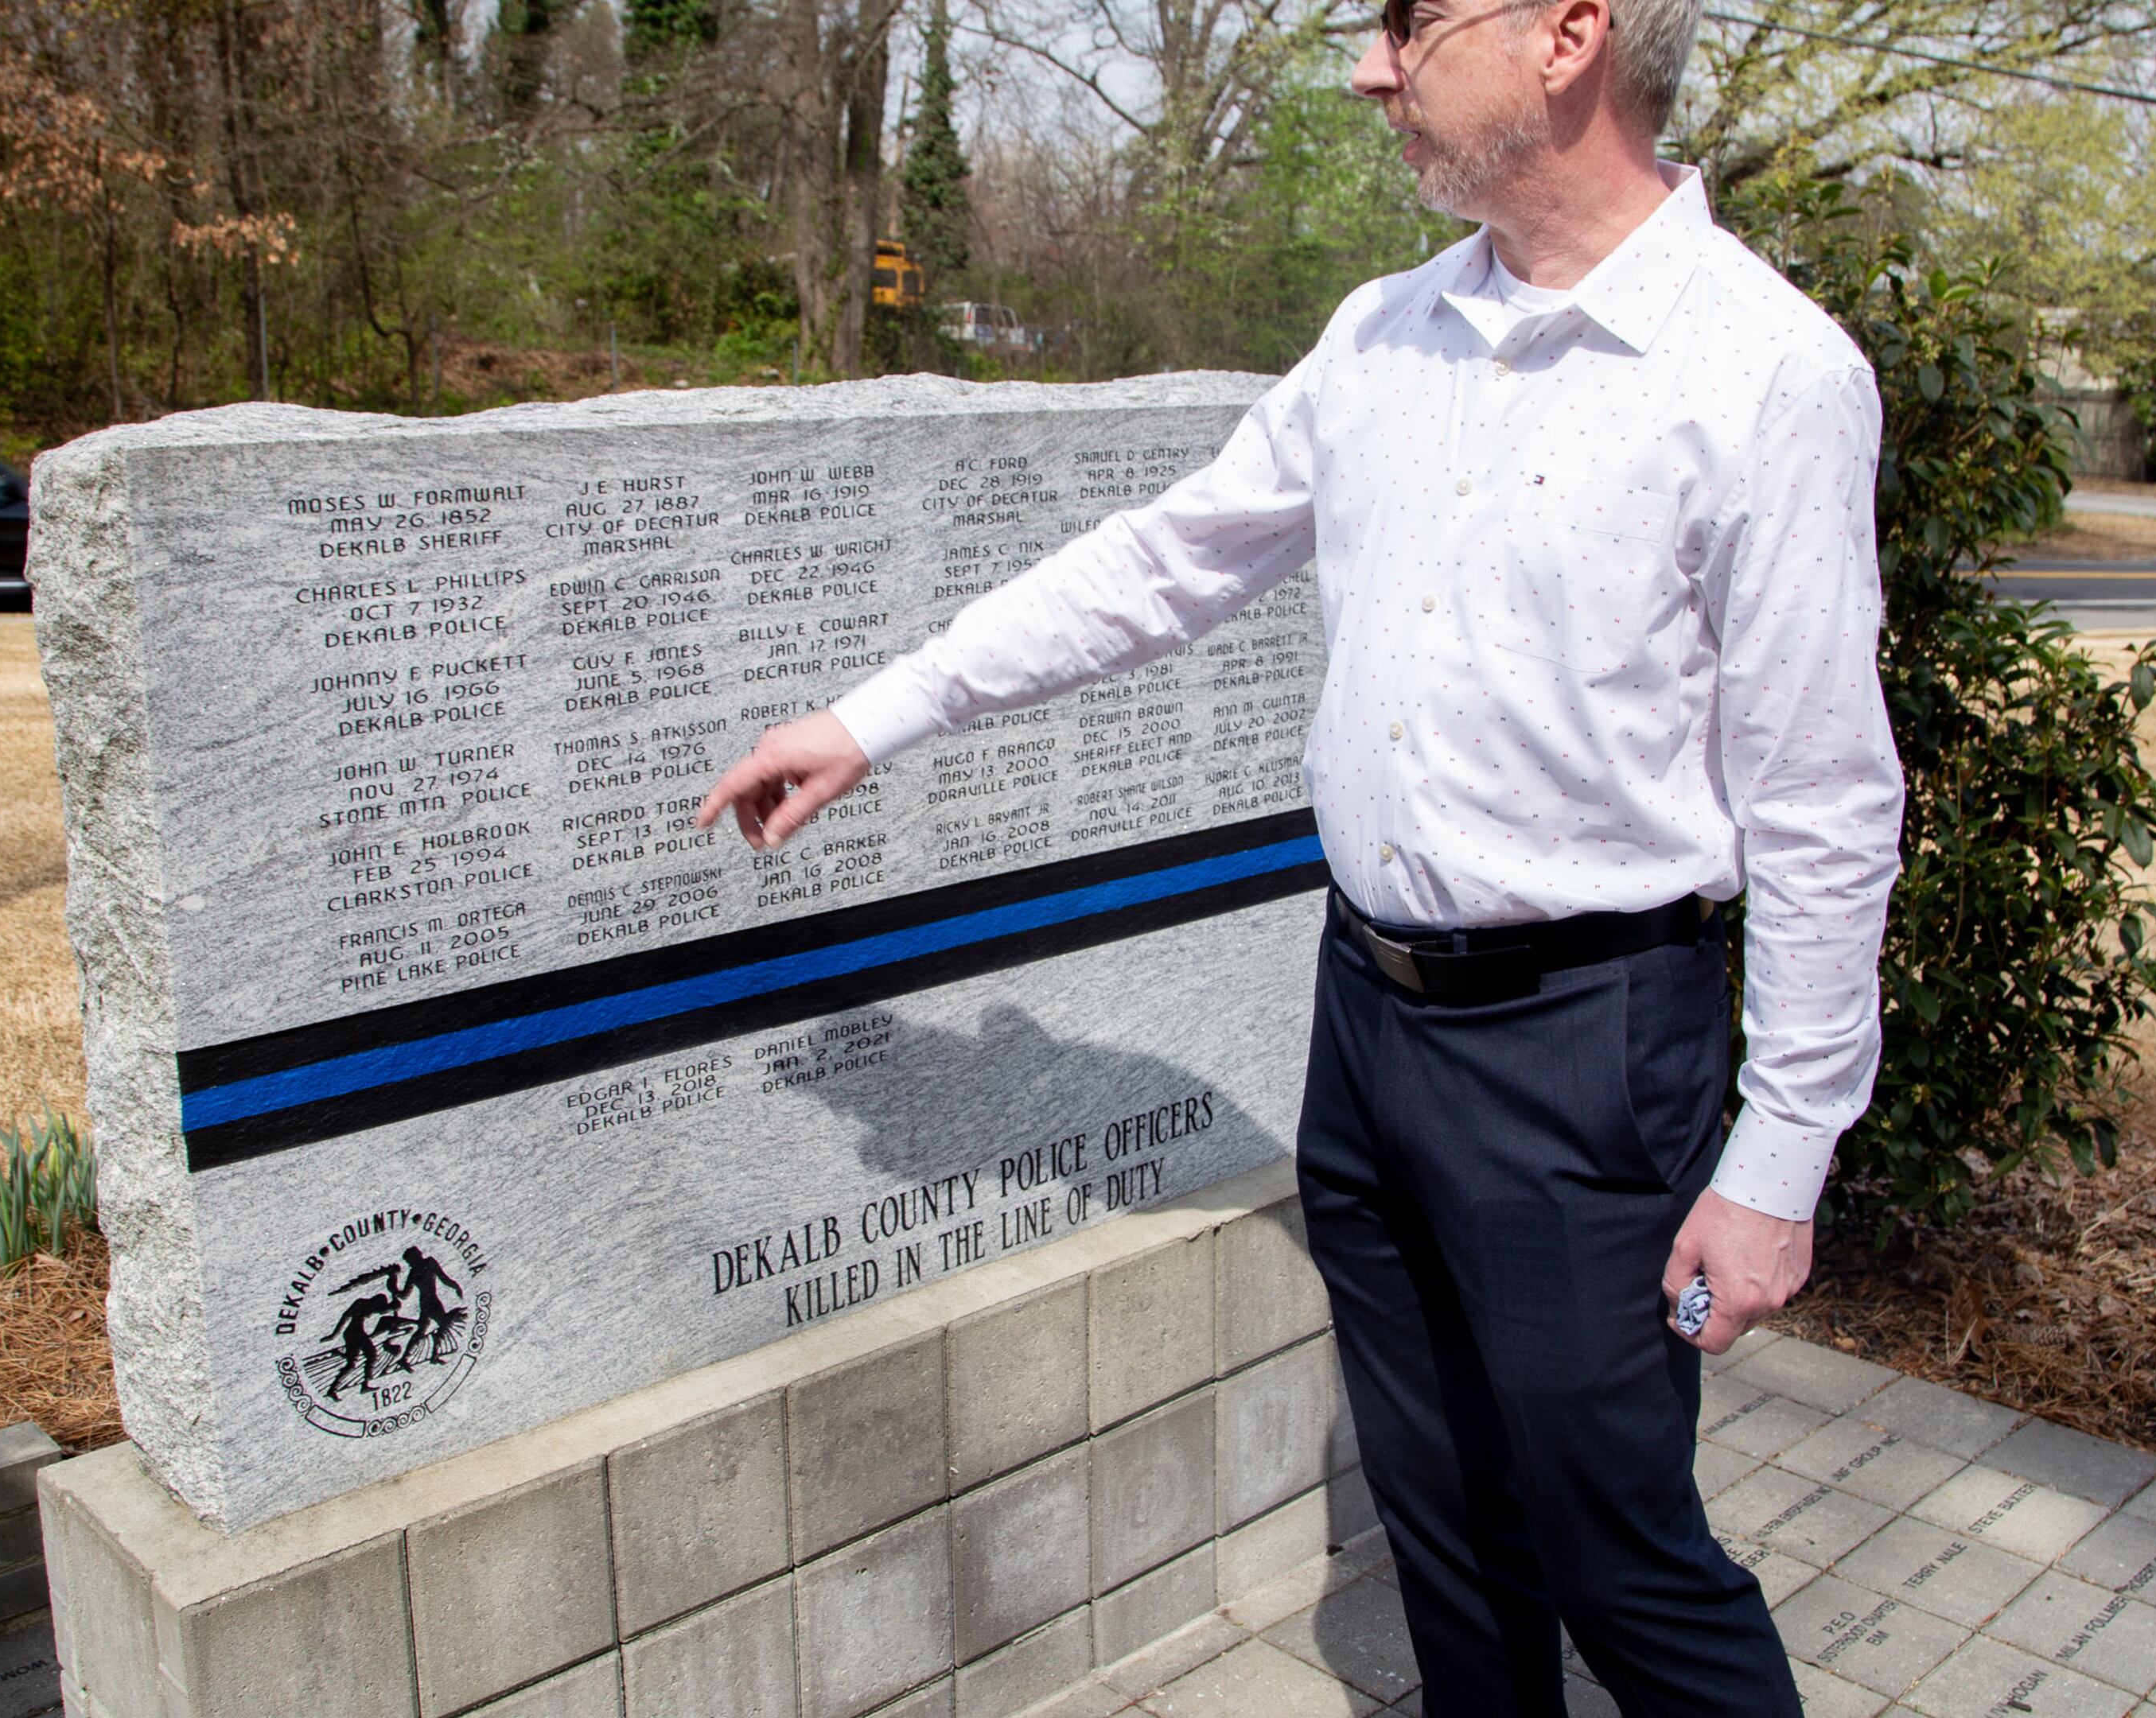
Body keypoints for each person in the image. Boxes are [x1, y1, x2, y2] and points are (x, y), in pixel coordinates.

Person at [695, 0, 1901, 1708]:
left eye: (1412, 22)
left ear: (1570, 34)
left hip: (1589, 1053)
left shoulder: (1768, 372)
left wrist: (1781, 1158)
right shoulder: (1385, 335)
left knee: (1615, 1555)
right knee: (1449, 1541)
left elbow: (1826, 802)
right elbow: (1163, 563)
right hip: (1370, 1026)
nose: (1367, 66)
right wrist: (877, 715)